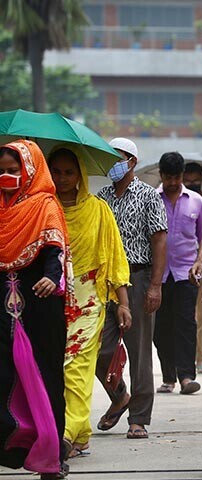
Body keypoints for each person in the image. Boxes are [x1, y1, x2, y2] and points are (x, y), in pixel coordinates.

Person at [48, 147, 130, 460]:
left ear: (80, 175)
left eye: (69, 172)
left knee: (77, 366)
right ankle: (79, 432)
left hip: (88, 299)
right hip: (51, 299)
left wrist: (123, 304)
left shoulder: (98, 210)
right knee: (55, 366)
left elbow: (114, 258)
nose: (63, 178)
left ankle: (67, 433)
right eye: (56, 171)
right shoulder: (43, 208)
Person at [0, 140, 76, 479]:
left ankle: (51, 457)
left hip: (40, 304)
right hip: (1, 305)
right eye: (2, 170)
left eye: (14, 171)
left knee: (47, 377)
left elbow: (55, 252)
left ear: (30, 171)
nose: (7, 175)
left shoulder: (45, 205)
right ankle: (10, 448)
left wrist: (51, 278)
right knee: (3, 377)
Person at [95, 137, 168, 440]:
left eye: (119, 158)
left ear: (132, 161)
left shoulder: (149, 195)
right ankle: (119, 395)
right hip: (106, 282)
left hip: (138, 278)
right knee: (99, 348)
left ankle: (138, 417)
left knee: (139, 352)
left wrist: (155, 285)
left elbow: (160, 239)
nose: (113, 164)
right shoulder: (101, 198)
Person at [153, 152, 202, 395]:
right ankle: (168, 377)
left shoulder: (196, 201)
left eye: (177, 177)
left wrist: (200, 261)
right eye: (168, 177)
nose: (173, 182)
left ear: (182, 175)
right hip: (158, 275)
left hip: (187, 273)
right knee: (161, 327)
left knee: (186, 323)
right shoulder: (151, 200)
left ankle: (186, 376)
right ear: (161, 175)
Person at [183, 162, 202, 375]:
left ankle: (200, 357)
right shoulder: (177, 200)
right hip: (180, 268)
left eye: (196, 180)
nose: (192, 184)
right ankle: (184, 357)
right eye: (189, 180)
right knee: (184, 316)